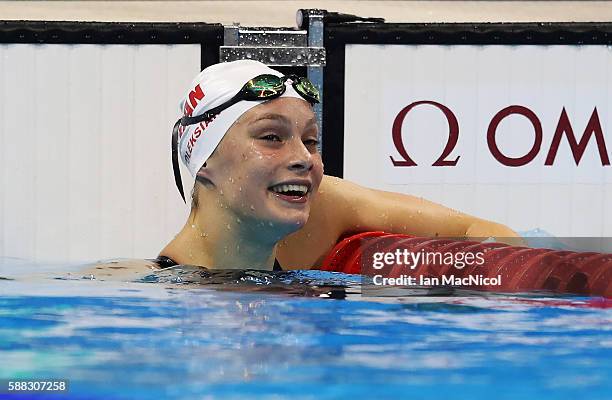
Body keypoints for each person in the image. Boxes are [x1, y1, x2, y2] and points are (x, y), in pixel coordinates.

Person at [156, 60, 521, 271]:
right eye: (271, 138)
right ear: (204, 160)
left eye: (310, 140)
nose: (302, 158)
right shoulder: (165, 291)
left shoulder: (324, 207)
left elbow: (482, 229)